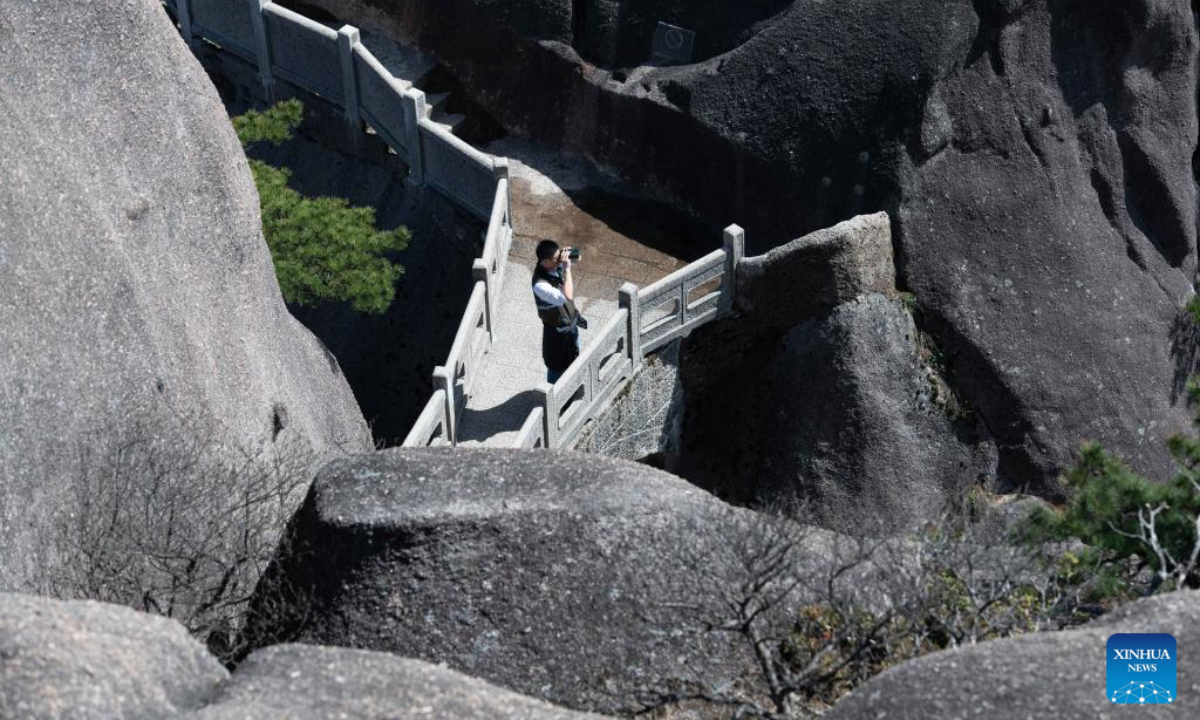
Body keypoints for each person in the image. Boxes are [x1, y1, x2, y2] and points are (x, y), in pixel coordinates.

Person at [532, 239, 582, 383]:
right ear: (546, 262)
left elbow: (578, 257)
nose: (560, 260)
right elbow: (567, 296)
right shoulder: (540, 285)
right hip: (556, 335)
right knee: (556, 368)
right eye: (556, 258)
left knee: (576, 360)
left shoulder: (553, 265)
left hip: (571, 326)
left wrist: (569, 252)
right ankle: (552, 400)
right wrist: (567, 269)